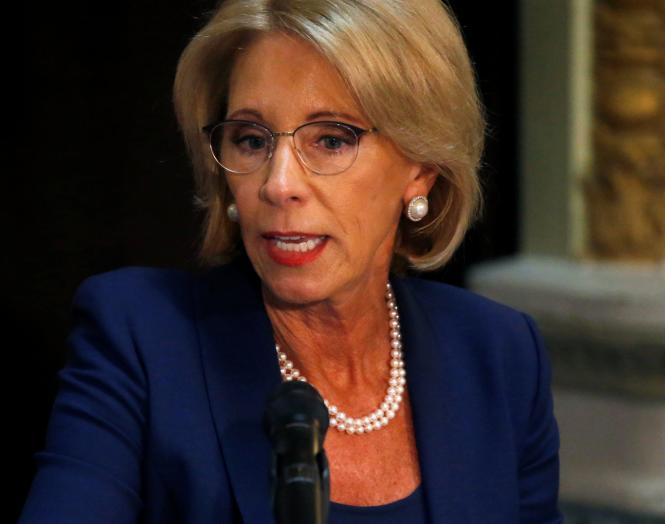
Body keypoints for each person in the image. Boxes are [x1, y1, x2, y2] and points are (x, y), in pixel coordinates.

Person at [20, 0, 562, 522]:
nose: (278, 185)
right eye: (251, 140)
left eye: (331, 139)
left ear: (421, 167)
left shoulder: (498, 356)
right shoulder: (140, 341)